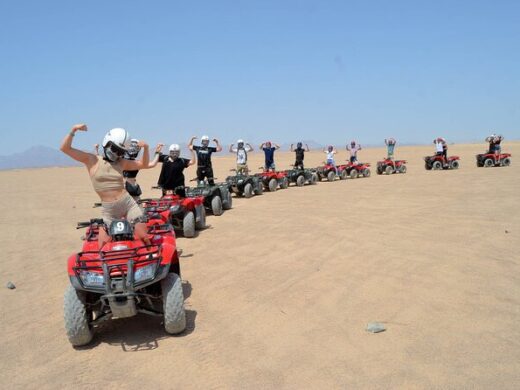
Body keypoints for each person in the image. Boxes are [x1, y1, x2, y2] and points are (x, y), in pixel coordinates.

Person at [60, 124, 151, 247]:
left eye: (120, 152)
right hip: (109, 211)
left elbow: (143, 164)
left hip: (128, 204)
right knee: (103, 246)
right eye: (114, 148)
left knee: (144, 238)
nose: (116, 154)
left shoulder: (121, 163)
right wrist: (73, 130)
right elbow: (65, 148)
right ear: (106, 143)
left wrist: (146, 147)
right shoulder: (92, 160)